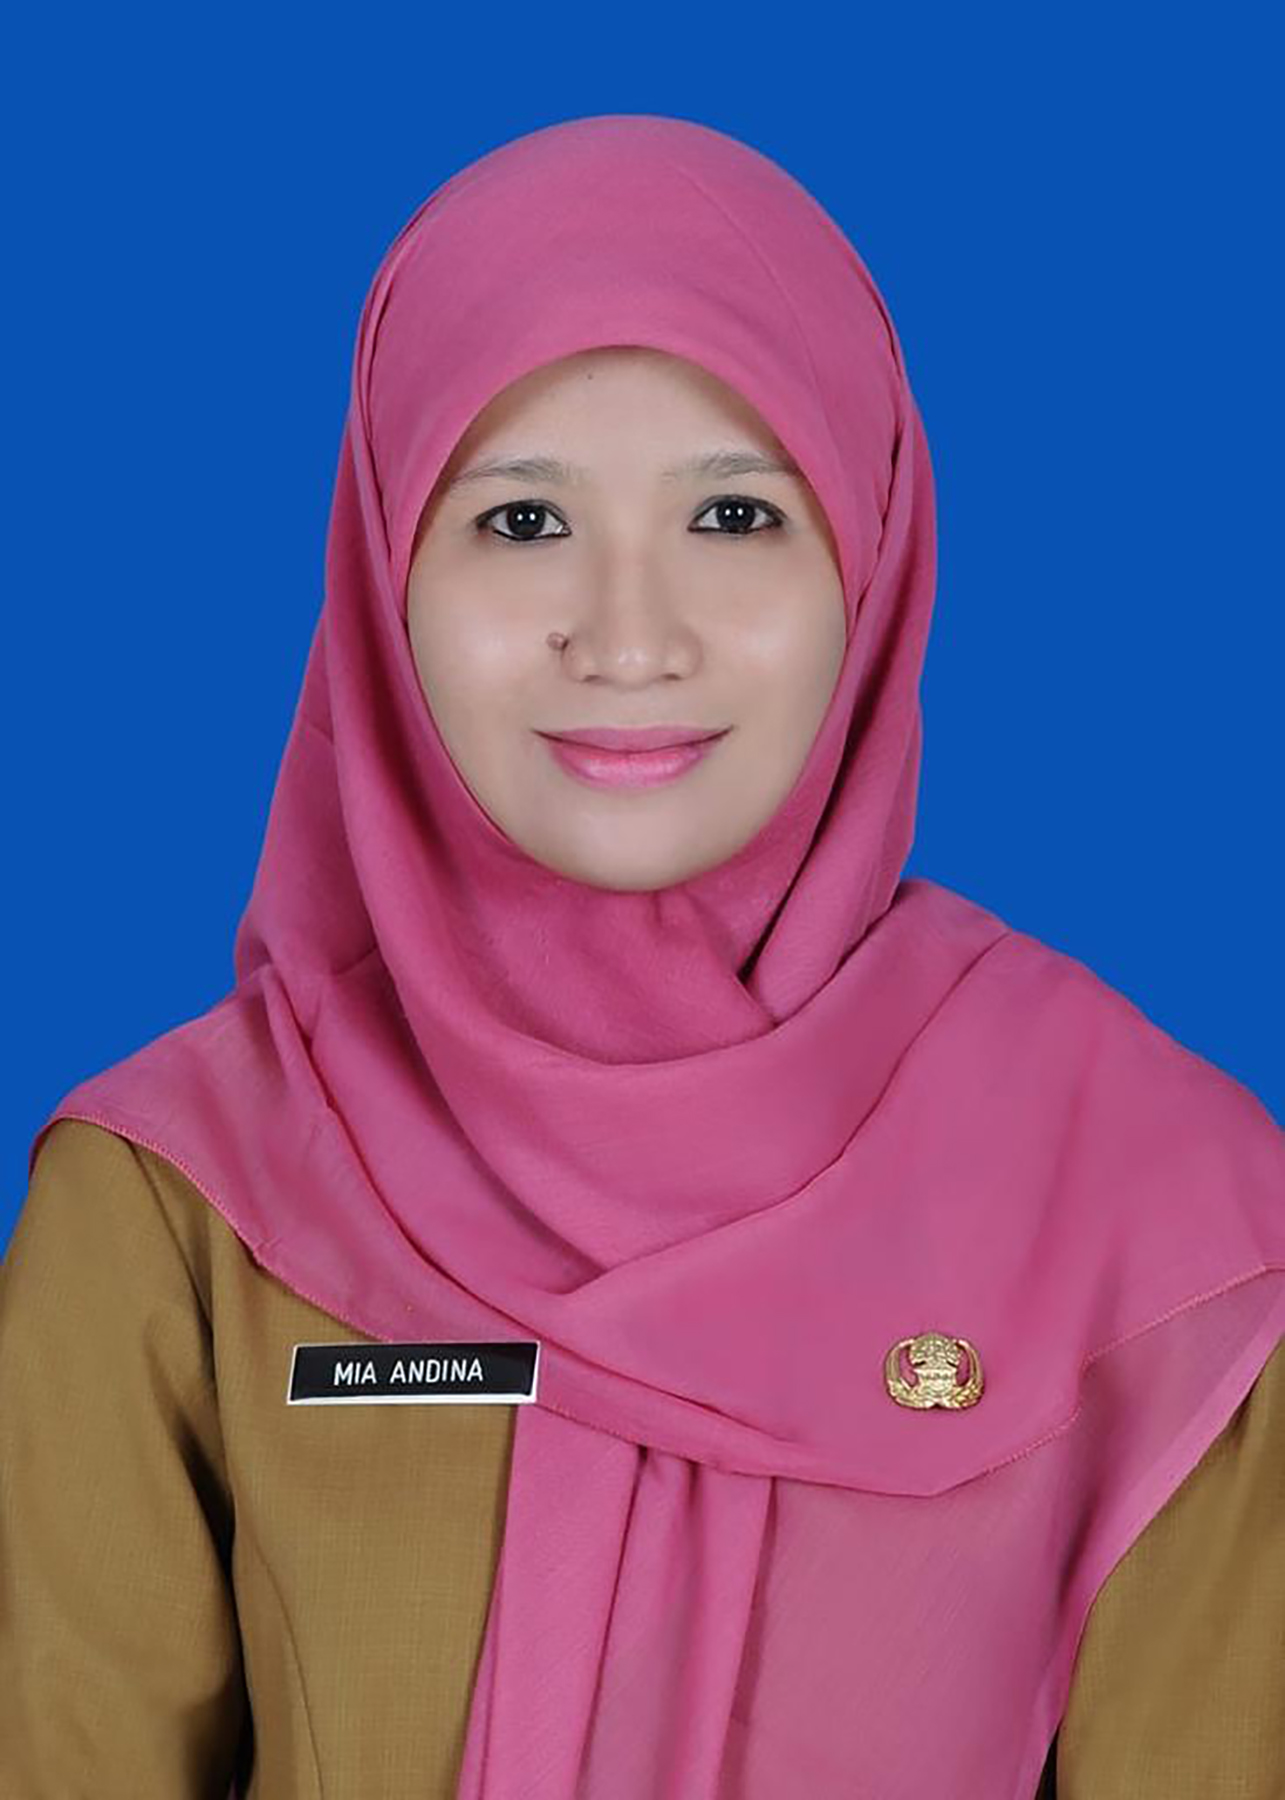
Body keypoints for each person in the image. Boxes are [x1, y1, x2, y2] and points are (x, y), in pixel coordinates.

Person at [2, 112, 1282, 1799]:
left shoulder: (1157, 1212)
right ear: (383, 570)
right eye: (521, 521)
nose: (626, 637)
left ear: (871, 554)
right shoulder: (180, 1200)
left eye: (734, 514)